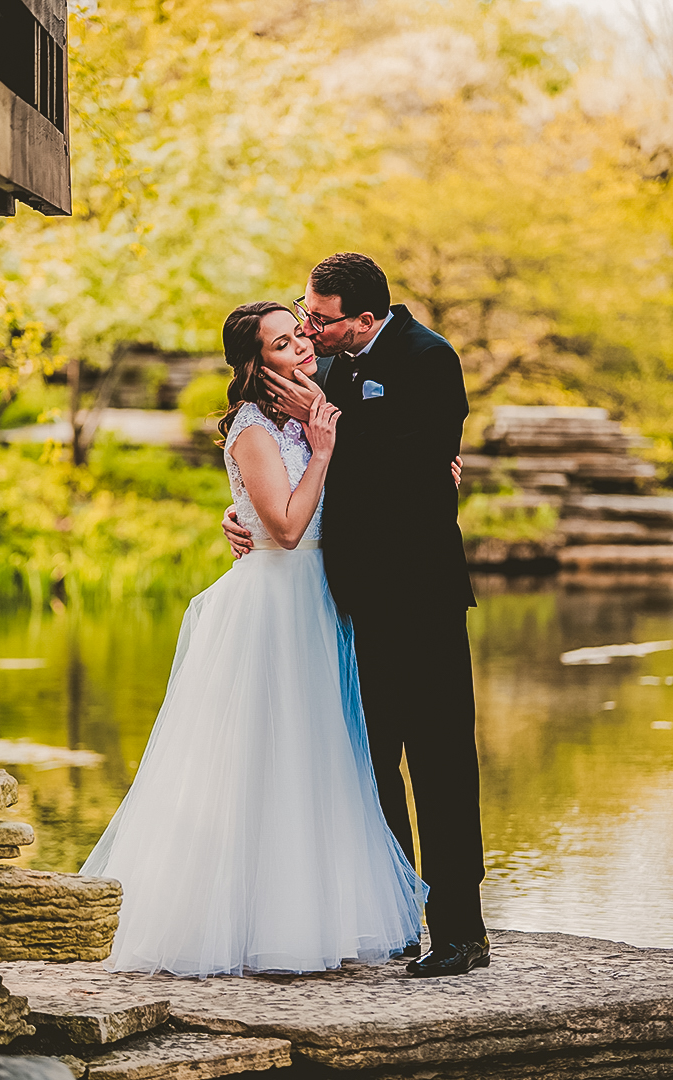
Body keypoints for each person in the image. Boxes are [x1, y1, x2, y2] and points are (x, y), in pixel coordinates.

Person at [81, 301, 426, 978]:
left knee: (318, 759)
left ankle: (320, 915)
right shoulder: (252, 427)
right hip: (274, 602)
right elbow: (290, 527)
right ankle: (248, 923)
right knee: (265, 761)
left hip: (319, 599)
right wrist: (318, 449)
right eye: (281, 342)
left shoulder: (317, 394)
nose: (301, 346)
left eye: (299, 333)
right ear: (255, 363)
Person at [223, 254, 489, 977]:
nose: (307, 327)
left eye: (319, 317)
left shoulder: (428, 359)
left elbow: (420, 464)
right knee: (366, 766)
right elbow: (294, 459)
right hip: (344, 602)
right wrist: (241, 509)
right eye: (303, 316)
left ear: (364, 319)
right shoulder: (329, 366)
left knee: (438, 762)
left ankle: (460, 930)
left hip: (421, 596)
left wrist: (324, 428)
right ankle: (396, 916)